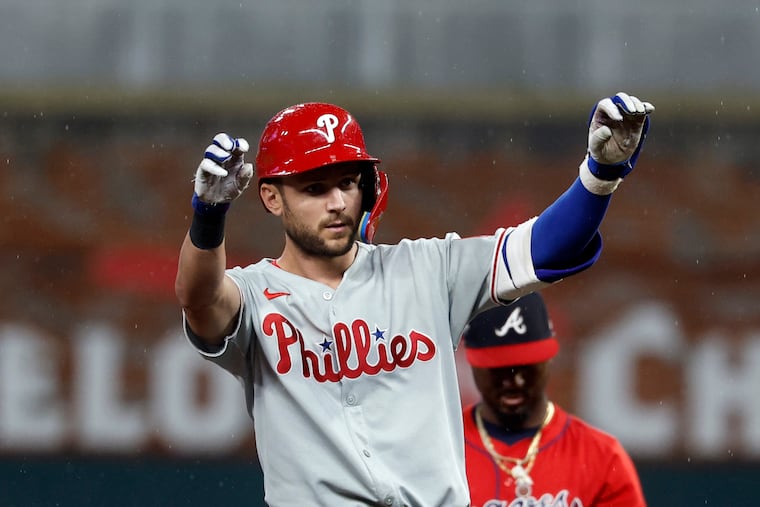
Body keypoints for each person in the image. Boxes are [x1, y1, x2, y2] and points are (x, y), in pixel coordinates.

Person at [174, 92, 654, 506]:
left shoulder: (428, 269)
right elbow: (199, 298)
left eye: (347, 182)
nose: (338, 202)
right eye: (315, 188)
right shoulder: (256, 295)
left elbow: (546, 248)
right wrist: (208, 215)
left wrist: (600, 175)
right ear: (273, 198)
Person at [461, 292, 647, 507]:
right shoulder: (439, 449)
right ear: (473, 363)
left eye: (526, 366)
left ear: (548, 360)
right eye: (500, 370)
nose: (515, 381)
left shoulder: (601, 457)